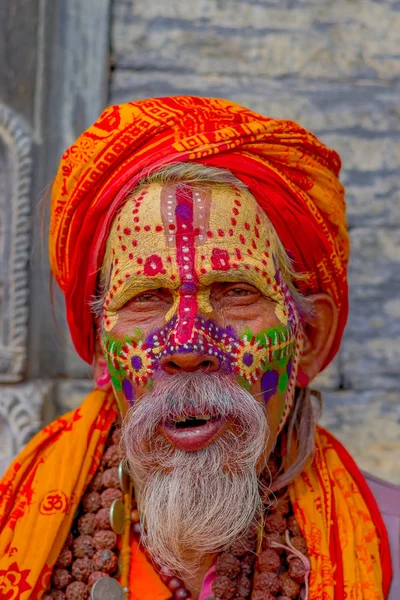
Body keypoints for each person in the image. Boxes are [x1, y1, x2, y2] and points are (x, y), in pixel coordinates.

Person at [0, 96, 395, 600]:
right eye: (145, 298)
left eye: (236, 292)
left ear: (310, 339)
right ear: (101, 353)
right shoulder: (17, 531)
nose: (186, 345)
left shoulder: (389, 547)